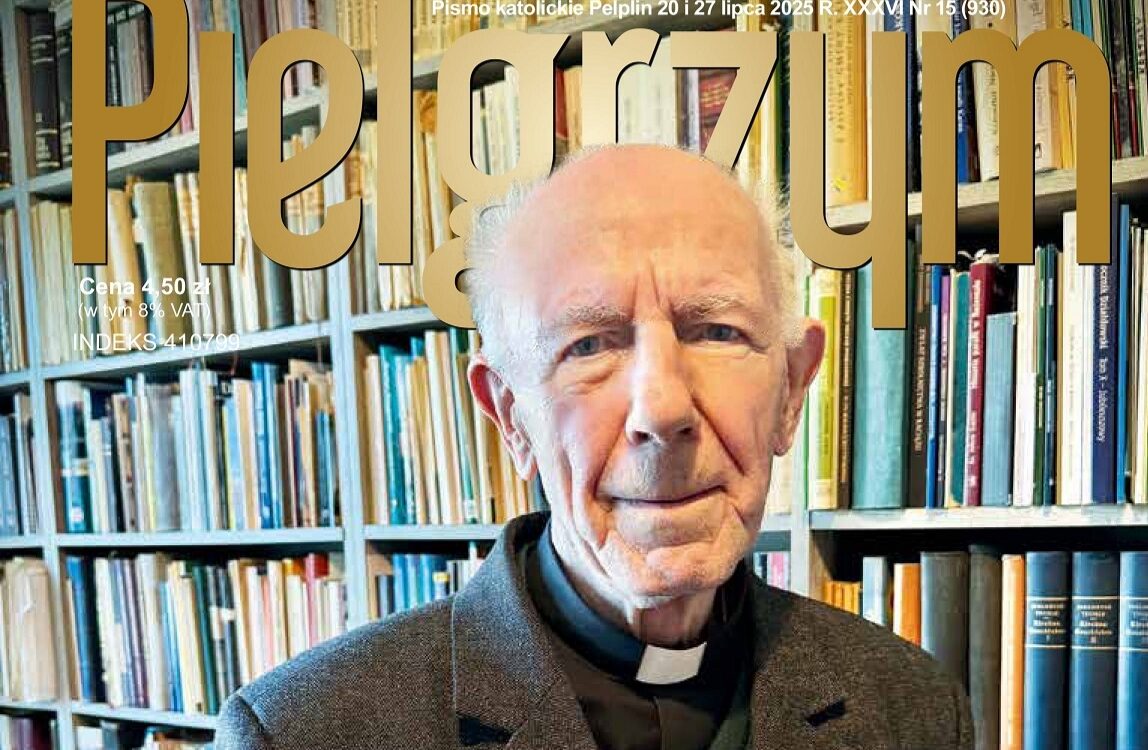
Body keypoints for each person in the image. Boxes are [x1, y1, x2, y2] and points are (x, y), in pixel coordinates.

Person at [216, 145, 972, 750]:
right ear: (511, 417)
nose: (662, 410)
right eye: (589, 345)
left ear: (792, 391)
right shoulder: (303, 732)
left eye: (717, 331)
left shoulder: (911, 705)